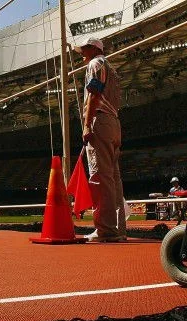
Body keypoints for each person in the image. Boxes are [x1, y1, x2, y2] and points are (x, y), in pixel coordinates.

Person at [74, 37, 126, 243]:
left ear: (93, 49)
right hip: (114, 122)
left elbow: (93, 95)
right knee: (113, 178)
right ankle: (118, 228)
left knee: (100, 176)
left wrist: (87, 125)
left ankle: (105, 229)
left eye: (84, 49)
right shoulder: (111, 68)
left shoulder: (95, 64)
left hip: (101, 120)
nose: (81, 53)